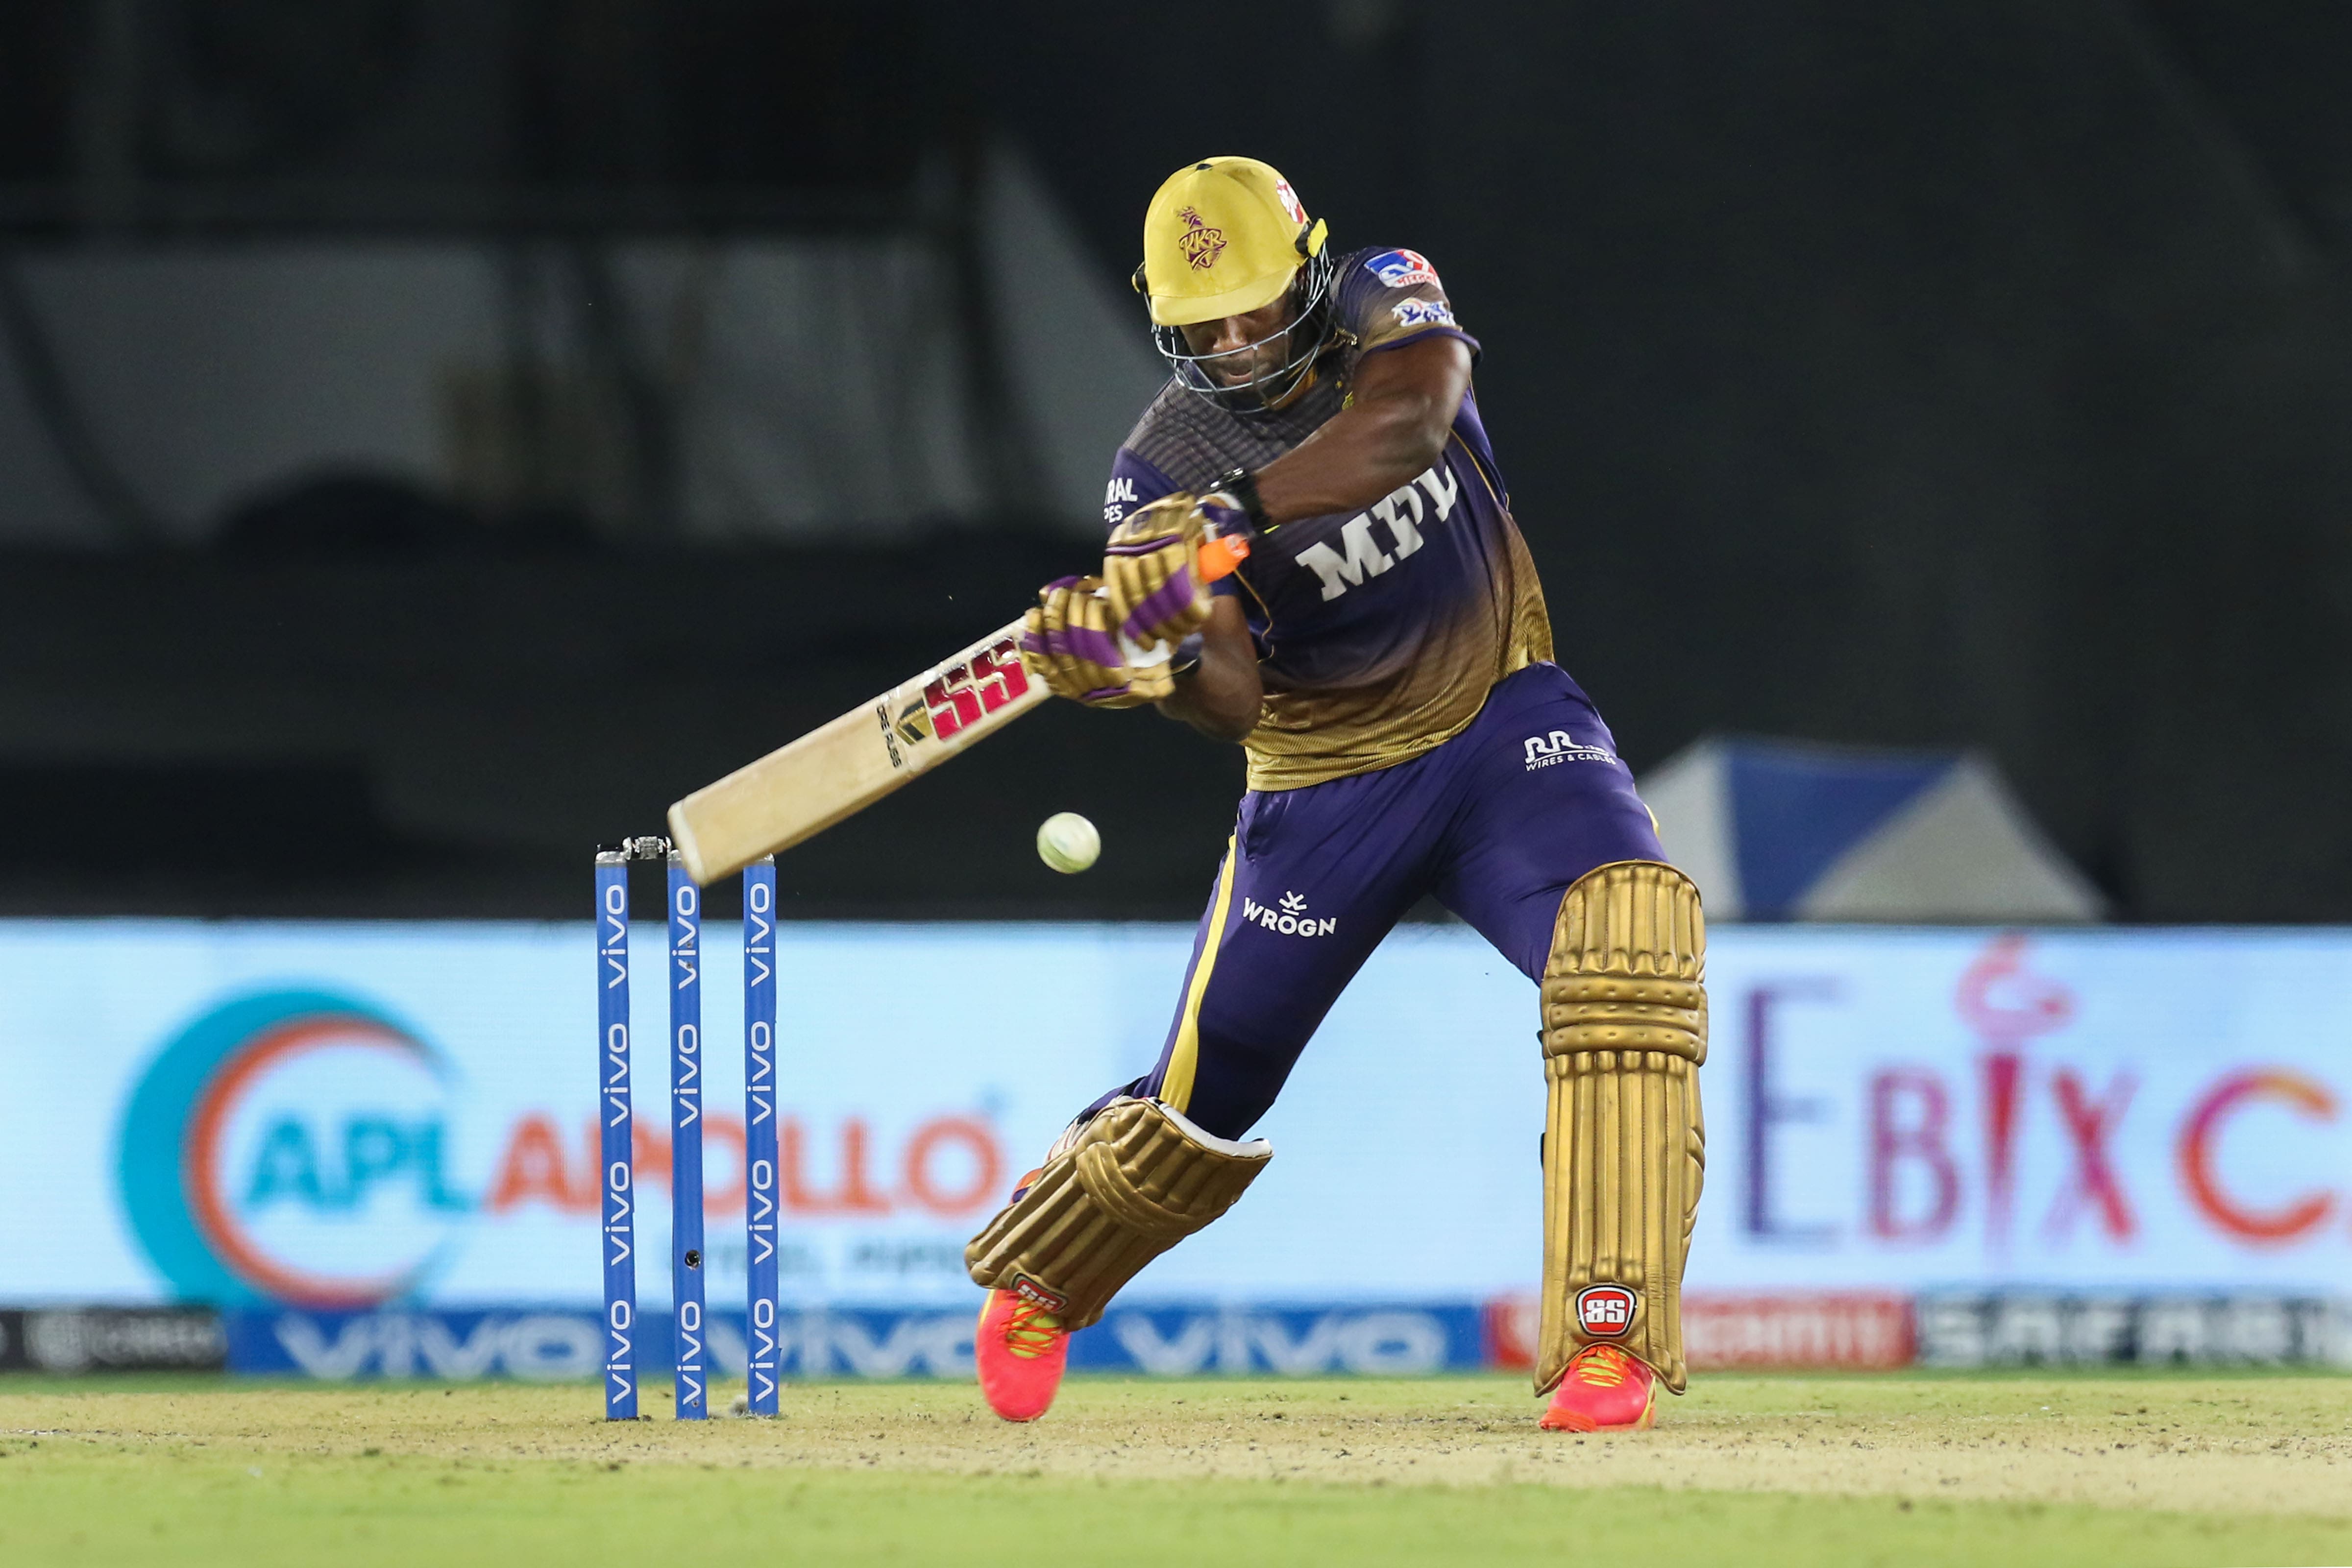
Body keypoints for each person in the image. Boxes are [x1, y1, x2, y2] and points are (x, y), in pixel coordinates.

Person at [971, 157, 1707, 1431]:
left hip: (1502, 721)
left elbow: (1411, 423)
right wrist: (1144, 658)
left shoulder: (1386, 299)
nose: (1241, 342)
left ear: (1309, 273)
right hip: (1326, 787)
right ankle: (1047, 1266)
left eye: (1259, 308)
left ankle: (1608, 1336)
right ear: (1169, 325)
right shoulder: (1155, 477)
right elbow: (1236, 699)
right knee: (1208, 1096)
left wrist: (1238, 516)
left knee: (1628, 947)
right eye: (1208, 327)